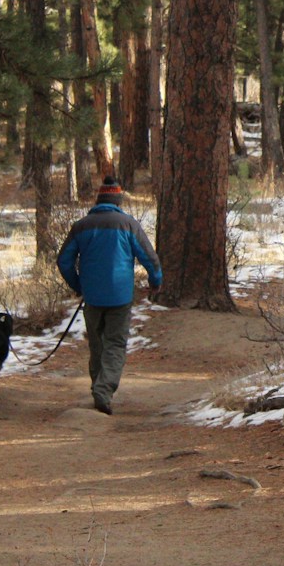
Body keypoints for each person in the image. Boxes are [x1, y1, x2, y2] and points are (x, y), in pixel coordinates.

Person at [56, 176, 162, 415]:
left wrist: (79, 285)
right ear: (118, 201)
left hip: (92, 297)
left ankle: (98, 388)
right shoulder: (128, 224)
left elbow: (63, 261)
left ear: (99, 200)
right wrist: (156, 282)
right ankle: (103, 392)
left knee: (97, 345)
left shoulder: (81, 226)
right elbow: (150, 259)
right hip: (120, 296)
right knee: (115, 344)